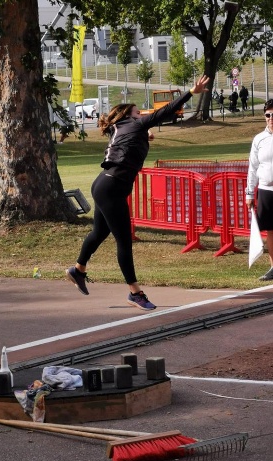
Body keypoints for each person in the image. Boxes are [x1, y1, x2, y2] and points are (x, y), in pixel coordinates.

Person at [66, 75, 210, 310]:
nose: (141, 115)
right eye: (136, 113)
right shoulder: (134, 125)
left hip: (105, 184)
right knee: (124, 242)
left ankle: (78, 269)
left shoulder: (120, 128)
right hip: (111, 187)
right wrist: (191, 93)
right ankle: (135, 293)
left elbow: (131, 140)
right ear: (127, 116)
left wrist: (144, 134)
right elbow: (164, 113)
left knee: (100, 232)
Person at [246, 99, 273, 281]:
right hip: (266, 190)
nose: (271, 118)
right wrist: (249, 193)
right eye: (268, 115)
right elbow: (253, 167)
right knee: (271, 230)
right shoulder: (259, 139)